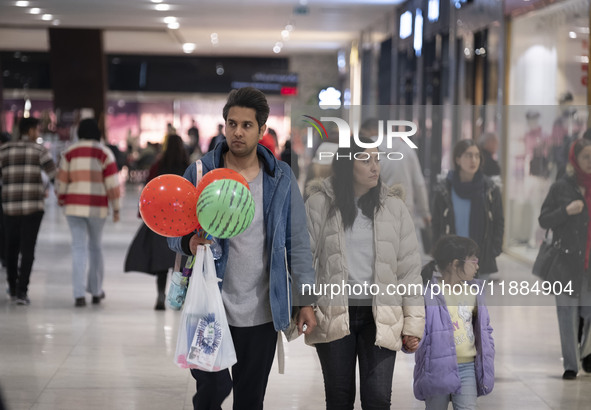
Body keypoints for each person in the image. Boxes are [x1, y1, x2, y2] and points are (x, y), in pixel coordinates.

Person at [168, 87, 316, 410]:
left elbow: (298, 242)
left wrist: (305, 299)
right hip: (210, 305)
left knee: (250, 401)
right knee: (209, 393)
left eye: (247, 125)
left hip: (262, 310)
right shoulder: (200, 173)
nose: (237, 132)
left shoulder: (280, 178)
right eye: (232, 124)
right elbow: (171, 232)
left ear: (262, 130)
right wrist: (188, 242)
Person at [304, 139, 425, 409]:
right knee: (338, 398)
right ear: (347, 164)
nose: (375, 167)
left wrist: (413, 323)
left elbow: (409, 270)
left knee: (378, 399)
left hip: (381, 314)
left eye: (377, 160)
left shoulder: (394, 208)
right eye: (365, 160)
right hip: (335, 312)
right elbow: (304, 260)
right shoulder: (319, 204)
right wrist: (305, 304)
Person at [414, 235, 495, 409]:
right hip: (436, 368)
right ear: (455, 263)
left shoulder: (474, 292)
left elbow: (484, 327)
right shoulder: (429, 294)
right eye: (473, 261)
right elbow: (419, 328)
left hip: (467, 367)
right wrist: (412, 342)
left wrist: (488, 350)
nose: (477, 266)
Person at [538, 138, 591, 379]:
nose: (590, 162)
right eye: (586, 157)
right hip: (566, 260)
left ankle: (586, 353)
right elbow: (544, 220)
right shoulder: (561, 187)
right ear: (575, 160)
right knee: (566, 312)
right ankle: (571, 364)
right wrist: (565, 211)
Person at [55, 118, 121, 307]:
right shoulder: (104, 153)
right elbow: (113, 185)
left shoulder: (69, 153)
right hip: (97, 207)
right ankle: (96, 290)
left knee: (78, 248)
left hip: (73, 206)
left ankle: (78, 294)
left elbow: (61, 182)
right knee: (95, 247)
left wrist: (61, 200)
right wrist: (116, 208)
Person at [124, 134, 189, 310]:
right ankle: (180, 297)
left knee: (161, 261)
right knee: (182, 264)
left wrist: (143, 214)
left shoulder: (158, 165)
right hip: (182, 222)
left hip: (160, 221)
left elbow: (148, 190)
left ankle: (161, 296)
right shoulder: (188, 166)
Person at [0, 117, 57, 305]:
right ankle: (23, 292)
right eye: (37, 130)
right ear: (31, 131)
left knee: (11, 247)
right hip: (33, 207)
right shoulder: (39, 151)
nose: (38, 134)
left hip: (10, 207)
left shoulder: (4, 150)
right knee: (28, 249)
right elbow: (54, 176)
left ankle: (13, 288)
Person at [431, 139, 504, 277]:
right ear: (458, 159)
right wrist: (438, 250)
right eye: (468, 155)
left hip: (480, 258)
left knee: (477, 297)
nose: (473, 160)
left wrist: (494, 249)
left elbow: (498, 221)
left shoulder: (490, 189)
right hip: (451, 259)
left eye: (477, 156)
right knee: (452, 298)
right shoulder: (445, 189)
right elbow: (437, 223)